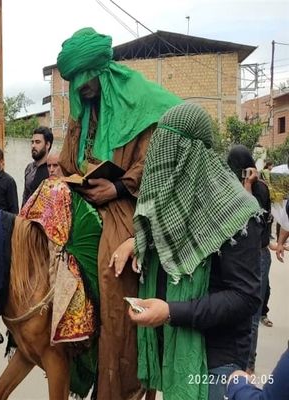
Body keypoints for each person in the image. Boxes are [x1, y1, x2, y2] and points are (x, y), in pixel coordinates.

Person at [56, 26, 182, 400]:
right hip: (86, 200)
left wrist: (117, 186)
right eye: (76, 83)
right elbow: (68, 158)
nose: (83, 88)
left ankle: (122, 387)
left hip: (129, 205)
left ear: (101, 70)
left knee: (113, 277)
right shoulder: (83, 108)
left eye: (87, 79)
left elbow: (155, 160)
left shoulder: (139, 98)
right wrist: (75, 178)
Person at [110, 103, 262, 400]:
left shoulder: (237, 213)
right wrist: (134, 242)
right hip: (176, 349)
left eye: (167, 155)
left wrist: (170, 312)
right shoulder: (183, 205)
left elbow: (245, 297)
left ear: (189, 158)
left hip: (217, 364)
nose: (158, 165)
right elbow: (162, 232)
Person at [227, 145, 272, 374]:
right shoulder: (232, 187)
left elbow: (251, 221)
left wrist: (248, 186)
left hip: (258, 256)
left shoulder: (260, 189)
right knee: (239, 311)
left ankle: (248, 366)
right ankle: (239, 361)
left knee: (252, 314)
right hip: (243, 256)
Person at [22, 126, 53, 205]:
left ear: (47, 145)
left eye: (37, 142)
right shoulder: (29, 168)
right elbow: (26, 196)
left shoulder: (53, 169)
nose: (33, 145)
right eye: (32, 142)